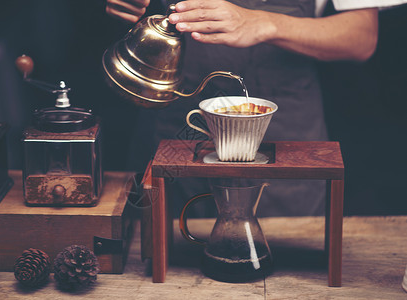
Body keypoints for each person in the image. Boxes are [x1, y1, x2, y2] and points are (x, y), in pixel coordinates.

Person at [104, 0, 406, 217]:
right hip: (179, 119)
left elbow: (361, 37)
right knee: (165, 252)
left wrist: (263, 22)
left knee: (289, 266)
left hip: (284, 125)